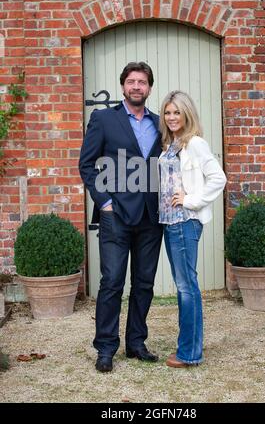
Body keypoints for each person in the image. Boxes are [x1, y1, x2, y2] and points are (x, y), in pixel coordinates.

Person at [79, 62, 163, 373]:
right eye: (131, 81)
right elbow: (87, 165)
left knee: (144, 283)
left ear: (149, 88)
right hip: (115, 216)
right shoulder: (103, 119)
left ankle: (136, 343)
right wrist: (104, 203)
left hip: (151, 217)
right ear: (123, 86)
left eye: (142, 82)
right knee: (112, 282)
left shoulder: (159, 123)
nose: (137, 86)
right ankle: (105, 348)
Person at [158, 90, 226, 368]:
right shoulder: (171, 143)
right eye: (168, 112)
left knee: (188, 287)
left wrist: (192, 200)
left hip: (185, 221)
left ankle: (189, 353)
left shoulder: (195, 143)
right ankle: (189, 348)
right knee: (185, 286)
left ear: (187, 114)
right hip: (169, 223)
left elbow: (218, 178)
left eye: (177, 112)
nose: (172, 117)